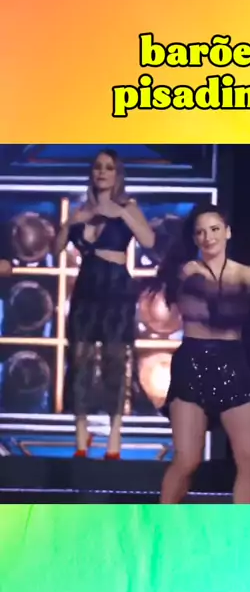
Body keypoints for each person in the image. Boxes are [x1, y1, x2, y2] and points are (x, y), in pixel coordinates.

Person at [153, 204, 250, 504]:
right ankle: (161, 524)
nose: (208, 237)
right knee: (188, 460)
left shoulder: (247, 273)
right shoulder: (187, 272)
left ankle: (238, 529)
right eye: (201, 232)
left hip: (232, 362)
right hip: (193, 362)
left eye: (215, 229)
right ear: (194, 238)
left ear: (228, 232)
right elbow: (213, 298)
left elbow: (249, 292)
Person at [55, 149, 155, 458]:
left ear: (117, 174)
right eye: (98, 167)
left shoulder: (128, 206)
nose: (102, 172)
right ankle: (80, 436)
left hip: (116, 290)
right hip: (87, 288)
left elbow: (149, 241)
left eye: (108, 167)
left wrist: (120, 213)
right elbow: (56, 248)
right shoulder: (81, 210)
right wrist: (70, 222)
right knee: (80, 360)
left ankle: (114, 436)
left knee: (115, 361)